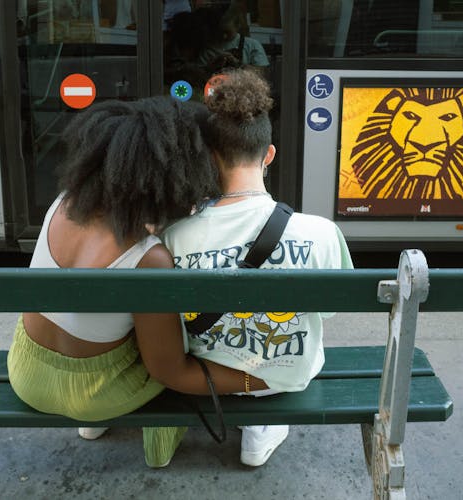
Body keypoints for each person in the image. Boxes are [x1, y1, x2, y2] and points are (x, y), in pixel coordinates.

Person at [6, 96, 270, 468]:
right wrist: (256, 381)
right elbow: (170, 372)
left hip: (26, 371)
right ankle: (157, 447)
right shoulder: (149, 259)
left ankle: (94, 427)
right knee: (184, 334)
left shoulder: (65, 202)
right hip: (93, 395)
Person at [161, 69, 354, 467]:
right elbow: (329, 309)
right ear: (269, 155)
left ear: (211, 158)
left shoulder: (175, 237)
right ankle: (262, 426)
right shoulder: (321, 232)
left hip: (208, 375)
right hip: (286, 376)